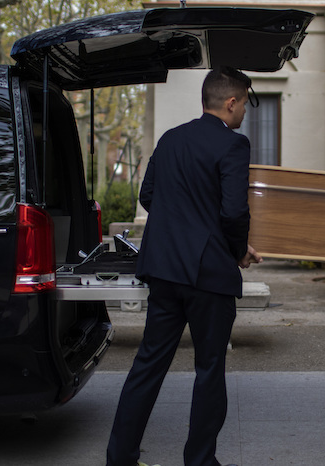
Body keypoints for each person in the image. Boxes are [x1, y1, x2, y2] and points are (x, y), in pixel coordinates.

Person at [106, 66, 262, 466]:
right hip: (208, 275)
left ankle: (120, 458)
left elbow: (148, 194)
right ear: (231, 102)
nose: (244, 111)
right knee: (209, 369)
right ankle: (199, 461)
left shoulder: (171, 138)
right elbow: (232, 212)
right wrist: (238, 250)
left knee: (148, 365)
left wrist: (182, 228)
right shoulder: (234, 145)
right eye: (244, 102)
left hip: (164, 270)